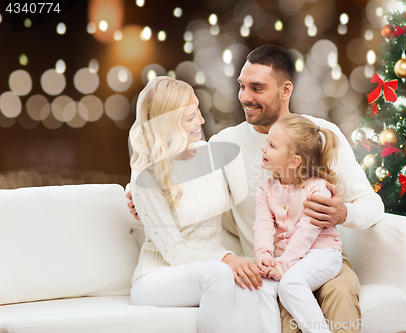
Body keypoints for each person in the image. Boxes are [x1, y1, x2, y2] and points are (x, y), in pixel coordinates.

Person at [128, 45, 384, 333]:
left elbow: (372, 205)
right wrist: (139, 193)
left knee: (340, 295)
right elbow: (177, 173)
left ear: (285, 90)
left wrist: (343, 212)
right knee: (287, 312)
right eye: (242, 86)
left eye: (257, 88)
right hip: (269, 267)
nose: (245, 97)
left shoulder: (321, 134)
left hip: (321, 256)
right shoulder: (224, 145)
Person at [127, 76, 262, 333]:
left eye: (198, 110)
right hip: (158, 275)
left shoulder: (208, 154)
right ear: (167, 124)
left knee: (253, 280)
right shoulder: (146, 175)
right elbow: (174, 252)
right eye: (190, 117)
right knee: (221, 274)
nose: (201, 120)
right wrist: (226, 258)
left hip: (210, 266)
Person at [255, 114, 343, 333]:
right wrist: (264, 256)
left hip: (322, 253)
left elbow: (306, 232)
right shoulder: (264, 188)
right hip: (290, 258)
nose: (264, 148)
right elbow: (263, 225)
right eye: (267, 142)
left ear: (294, 161)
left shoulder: (318, 187)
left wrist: (283, 265)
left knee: (290, 284)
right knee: (262, 285)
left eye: (272, 145)